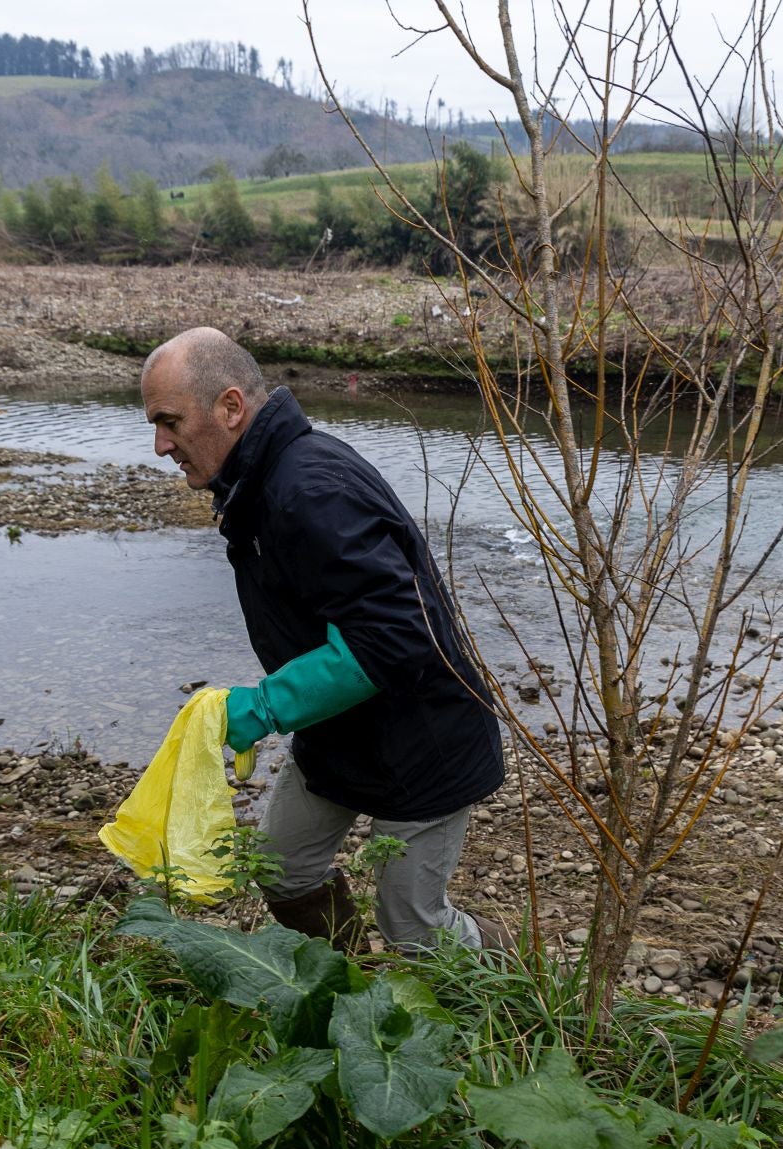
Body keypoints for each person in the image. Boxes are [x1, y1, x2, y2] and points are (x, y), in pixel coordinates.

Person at [141, 327, 510, 952]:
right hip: (341, 736)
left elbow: (391, 640)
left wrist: (265, 707)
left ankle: (517, 977)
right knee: (281, 870)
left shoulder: (310, 488)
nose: (159, 446)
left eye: (170, 422)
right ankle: (345, 983)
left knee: (415, 928)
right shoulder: (258, 482)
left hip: (424, 743)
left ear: (230, 408)